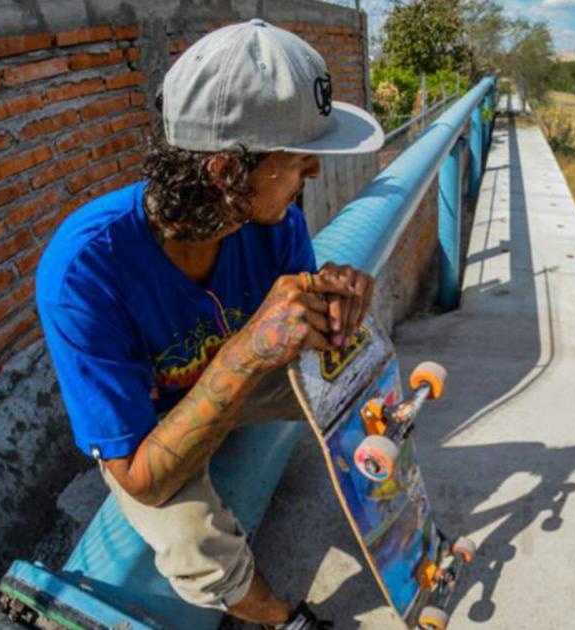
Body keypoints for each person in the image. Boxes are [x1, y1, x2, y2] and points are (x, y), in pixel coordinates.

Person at [35, 19, 385, 629]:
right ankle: (279, 617)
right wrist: (246, 353)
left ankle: (386, 501)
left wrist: (338, 311)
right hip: (151, 434)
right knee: (196, 543)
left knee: (354, 358)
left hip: (231, 387)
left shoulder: (277, 225)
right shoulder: (84, 272)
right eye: (302, 161)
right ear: (227, 173)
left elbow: (304, 349)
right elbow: (140, 478)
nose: (314, 177)